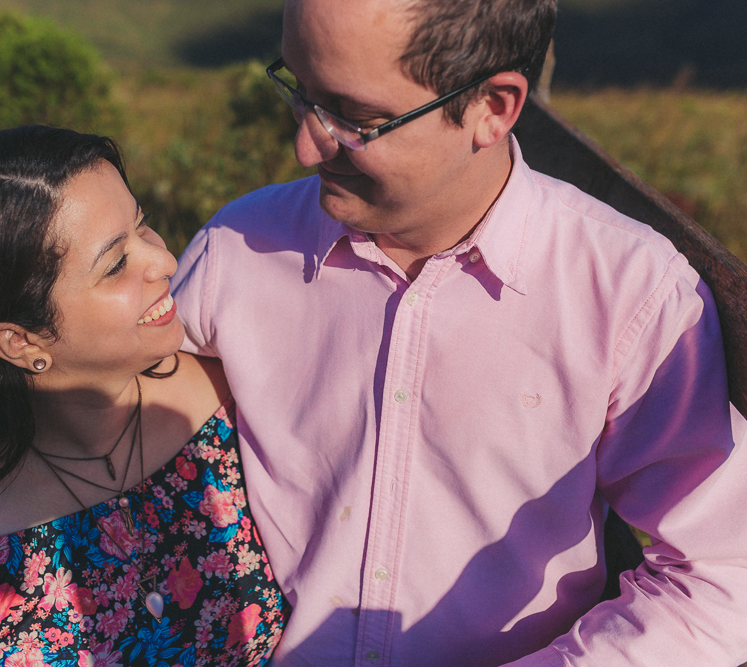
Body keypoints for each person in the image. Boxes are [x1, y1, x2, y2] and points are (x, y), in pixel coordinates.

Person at [171, 0, 747, 665]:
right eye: (300, 92)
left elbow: (720, 577)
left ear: (493, 108)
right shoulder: (235, 253)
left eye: (355, 119)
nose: (305, 145)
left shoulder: (628, 293)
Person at [0, 126, 288, 666]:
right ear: (21, 342)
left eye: (142, 225)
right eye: (115, 264)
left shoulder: (239, 403)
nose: (164, 261)